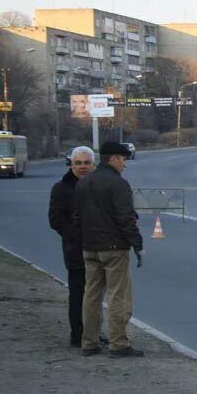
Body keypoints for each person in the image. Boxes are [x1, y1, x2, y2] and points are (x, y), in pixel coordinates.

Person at [75, 141, 144, 358]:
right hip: (114, 248)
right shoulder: (118, 184)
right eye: (123, 159)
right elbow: (126, 217)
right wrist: (137, 243)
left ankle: (89, 342)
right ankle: (118, 343)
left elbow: (77, 218)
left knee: (91, 295)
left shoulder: (83, 183)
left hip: (90, 247)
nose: (124, 164)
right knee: (118, 296)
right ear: (113, 159)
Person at [48, 147, 96, 347]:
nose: (82, 167)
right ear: (71, 164)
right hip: (76, 250)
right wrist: (76, 237)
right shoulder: (62, 188)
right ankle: (78, 335)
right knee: (78, 294)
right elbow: (56, 220)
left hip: (99, 248)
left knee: (94, 296)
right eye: (78, 163)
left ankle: (92, 333)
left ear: (93, 165)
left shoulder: (97, 186)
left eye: (86, 163)